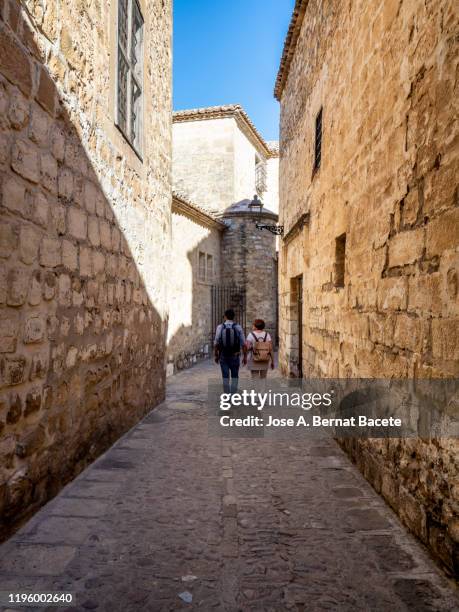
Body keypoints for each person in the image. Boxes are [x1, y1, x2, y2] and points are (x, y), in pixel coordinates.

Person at [214, 309, 246, 393]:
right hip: (235, 355)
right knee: (235, 376)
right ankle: (233, 395)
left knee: (225, 376)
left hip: (223, 355)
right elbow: (243, 343)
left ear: (225, 317)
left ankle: (227, 395)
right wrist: (245, 356)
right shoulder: (238, 327)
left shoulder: (220, 327)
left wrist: (216, 355)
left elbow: (216, 342)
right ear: (233, 317)